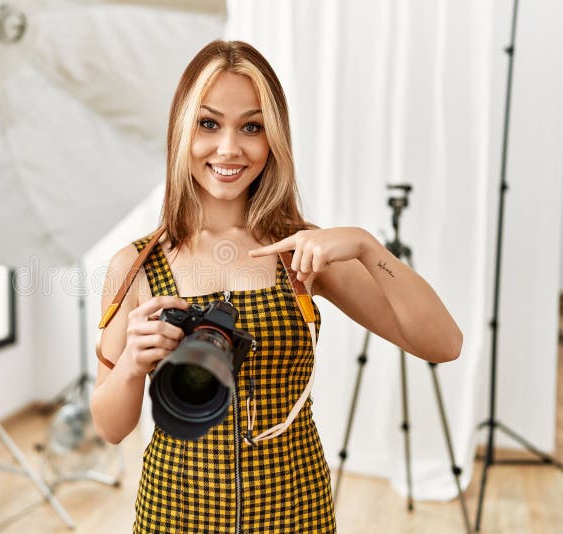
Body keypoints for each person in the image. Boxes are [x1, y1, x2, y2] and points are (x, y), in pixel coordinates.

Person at [90, 40, 462, 534]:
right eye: (208, 123)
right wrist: (134, 365)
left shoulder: (301, 253)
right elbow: (111, 429)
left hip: (295, 508)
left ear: (274, 139)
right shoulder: (135, 265)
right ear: (182, 131)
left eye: (252, 126)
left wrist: (369, 249)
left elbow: (444, 343)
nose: (229, 147)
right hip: (174, 512)